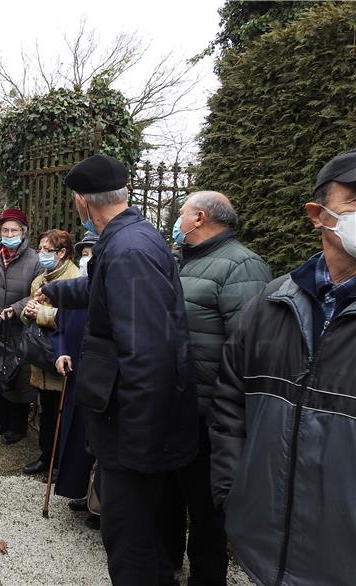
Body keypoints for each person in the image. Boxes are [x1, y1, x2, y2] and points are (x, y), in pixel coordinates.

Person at [40, 154, 198, 586]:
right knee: (145, 531)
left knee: (128, 538)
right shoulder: (129, 238)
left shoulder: (128, 250)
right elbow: (100, 289)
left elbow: (148, 352)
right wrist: (56, 291)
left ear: (81, 202)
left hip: (134, 433)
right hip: (135, 425)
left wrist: (139, 446)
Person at [210, 150, 356, 586]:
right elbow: (230, 402)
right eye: (355, 201)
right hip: (266, 549)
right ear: (318, 215)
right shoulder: (273, 302)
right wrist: (234, 491)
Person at [162, 190, 272, 585]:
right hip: (174, 406)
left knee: (207, 511)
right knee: (168, 494)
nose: (177, 219)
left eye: (182, 213)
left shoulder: (242, 266)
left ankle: (206, 578)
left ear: (201, 218)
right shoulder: (181, 260)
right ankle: (167, 563)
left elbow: (249, 350)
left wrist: (226, 413)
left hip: (210, 415)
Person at [0, 208, 42, 445]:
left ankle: (17, 426)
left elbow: (39, 294)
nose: (9, 233)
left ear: (23, 233)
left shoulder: (35, 260)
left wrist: (17, 308)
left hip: (18, 329)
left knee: (17, 377)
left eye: (14, 230)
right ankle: (2, 421)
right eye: (5, 230)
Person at [19, 229, 80, 475]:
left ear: (63, 253)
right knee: (46, 409)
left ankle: (60, 462)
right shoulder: (41, 278)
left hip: (60, 355)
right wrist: (29, 310)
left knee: (61, 411)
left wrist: (41, 313)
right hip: (40, 358)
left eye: (48, 250)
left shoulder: (74, 278)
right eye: (40, 249)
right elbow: (28, 313)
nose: (42, 254)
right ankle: (46, 456)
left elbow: (75, 320)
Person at [51, 232, 97, 524]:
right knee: (76, 433)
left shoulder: (108, 292)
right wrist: (60, 352)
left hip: (100, 376)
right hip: (75, 372)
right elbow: (59, 329)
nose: (87, 259)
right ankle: (79, 490)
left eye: (93, 254)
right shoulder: (73, 291)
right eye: (85, 253)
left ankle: (100, 501)